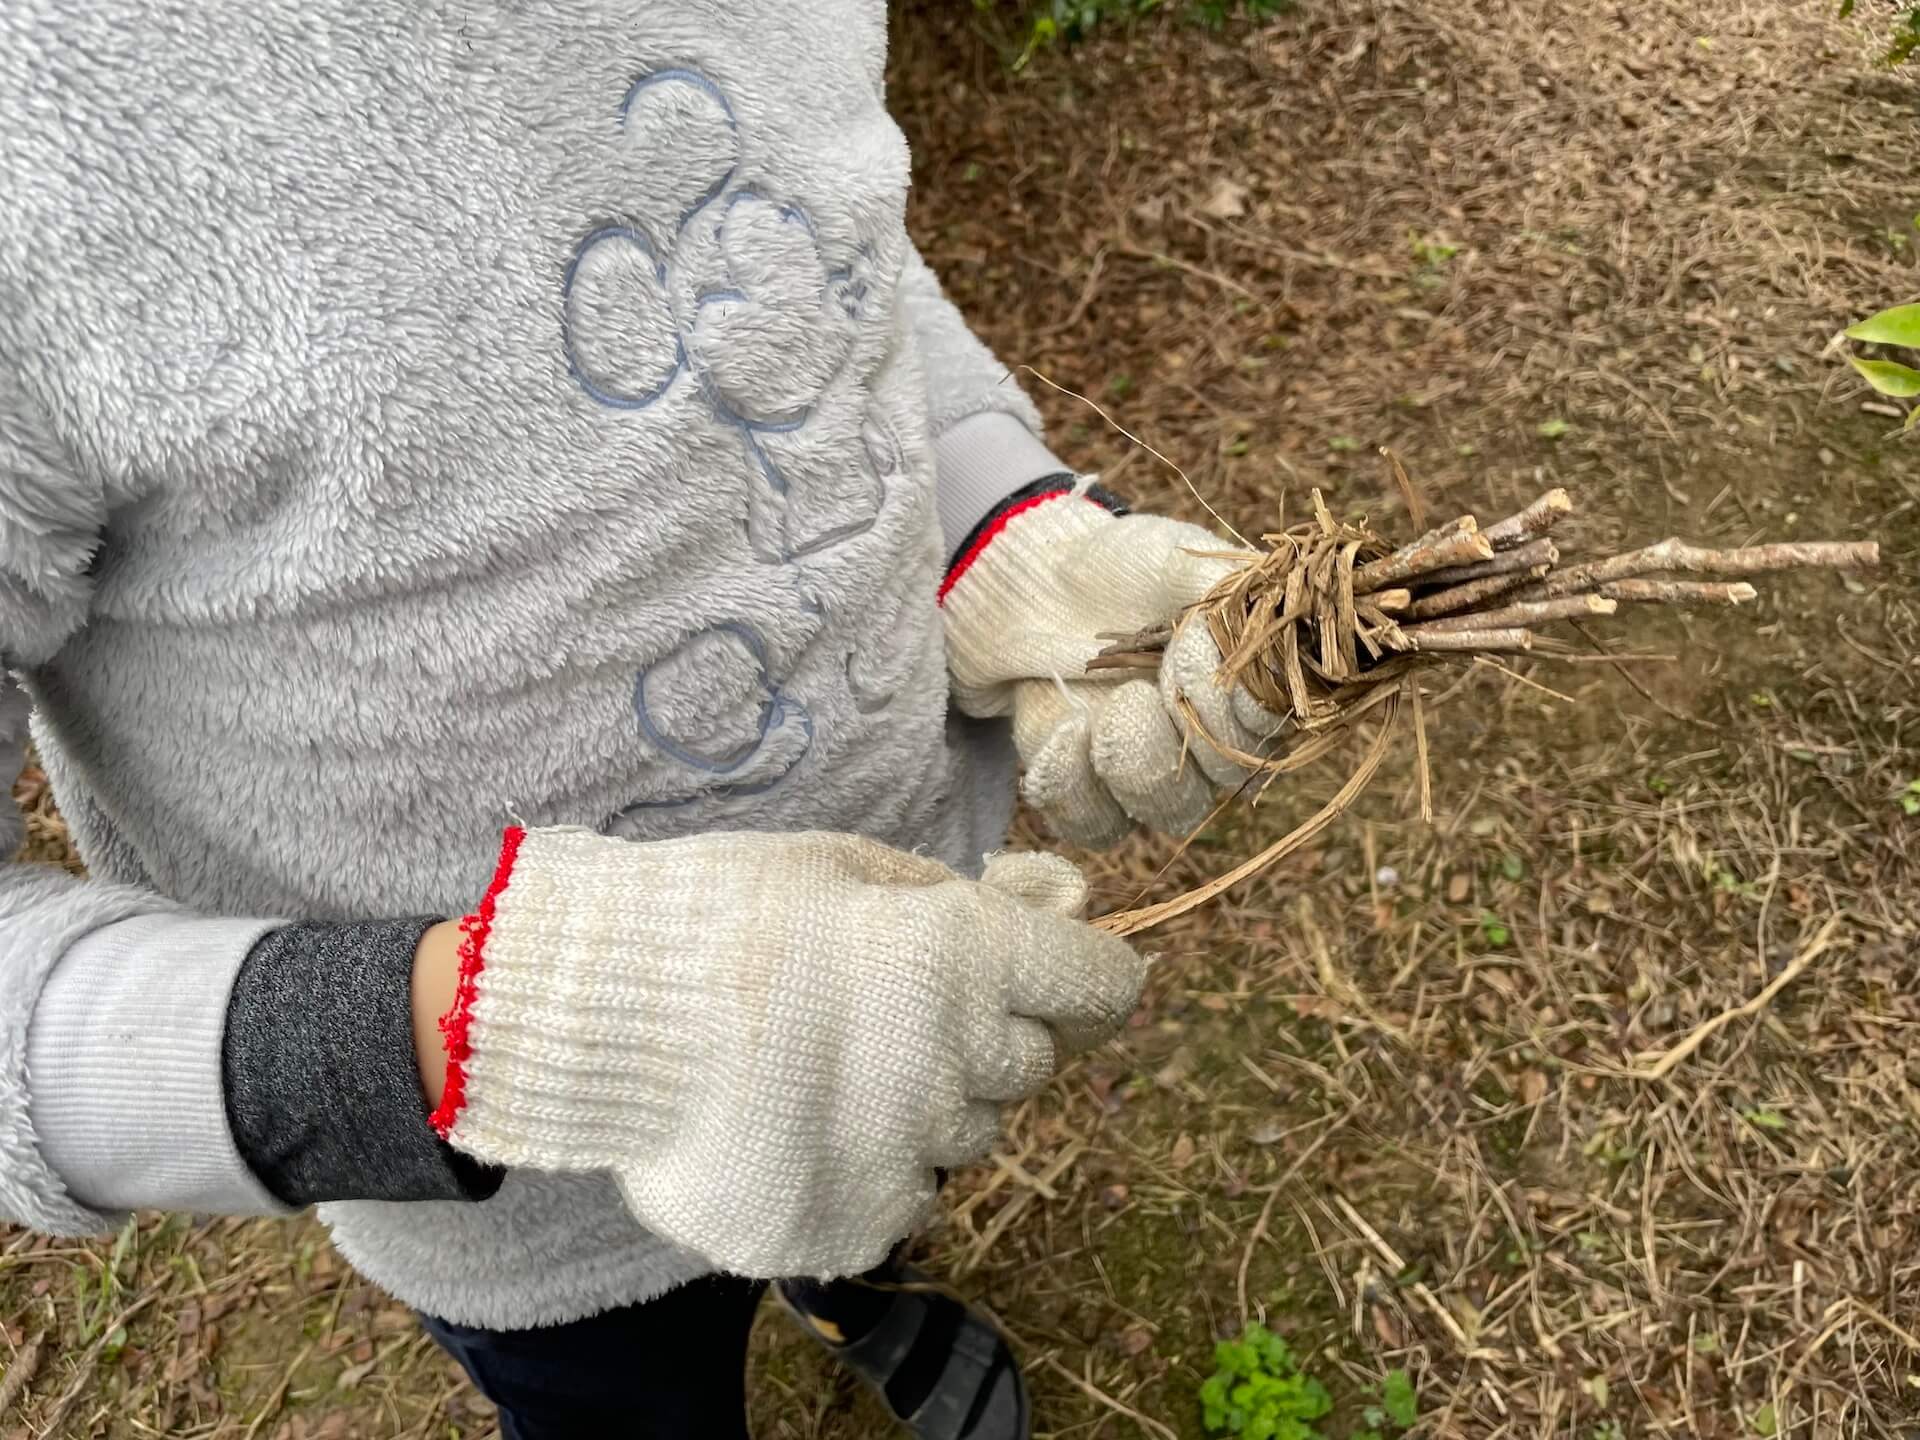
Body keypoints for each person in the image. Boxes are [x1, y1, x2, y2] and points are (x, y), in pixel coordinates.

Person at [0, 3, 1280, 1436]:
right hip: (541, 1220)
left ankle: (853, 1281)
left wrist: (1007, 530)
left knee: (863, 1183)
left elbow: (820, 233)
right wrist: (529, 1012)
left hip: (905, 963)